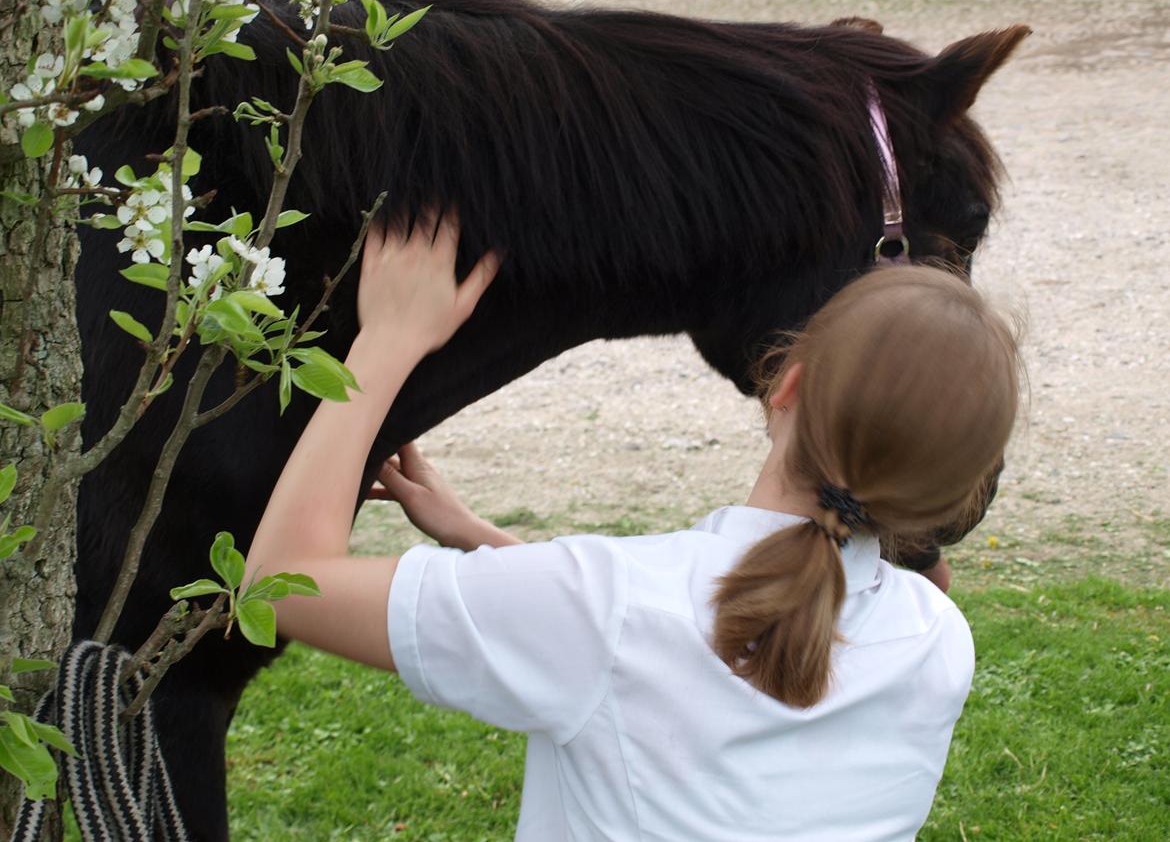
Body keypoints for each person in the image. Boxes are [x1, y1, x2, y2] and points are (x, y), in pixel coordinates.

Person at [244, 216, 1021, 841]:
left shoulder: (603, 609)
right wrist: (483, 543)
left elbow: (279, 583)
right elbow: (671, 641)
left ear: (789, 382)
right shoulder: (938, 644)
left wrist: (386, 341)